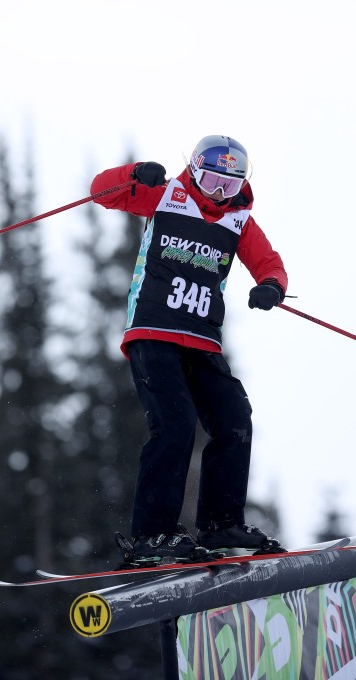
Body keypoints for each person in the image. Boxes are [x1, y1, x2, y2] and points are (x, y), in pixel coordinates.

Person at [91, 135, 289, 565]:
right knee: (176, 424)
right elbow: (101, 192)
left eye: (230, 187)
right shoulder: (167, 198)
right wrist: (133, 175)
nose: (220, 194)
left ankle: (220, 523)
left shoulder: (238, 222)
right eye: (213, 182)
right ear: (195, 171)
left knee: (234, 419)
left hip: (202, 340)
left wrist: (271, 286)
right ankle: (151, 534)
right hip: (153, 331)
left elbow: (268, 262)